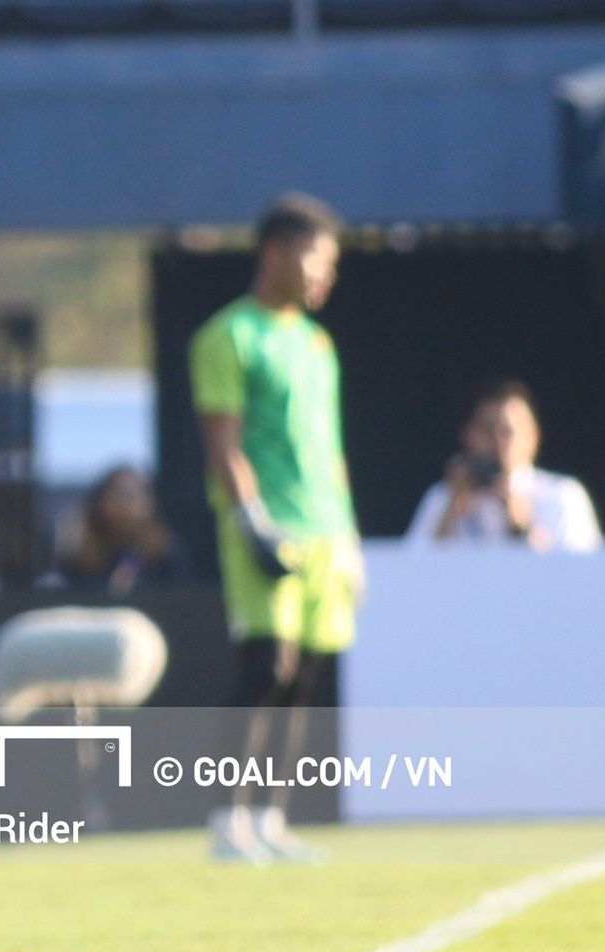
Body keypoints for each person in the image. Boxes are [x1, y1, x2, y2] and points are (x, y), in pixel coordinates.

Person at [189, 192, 360, 865]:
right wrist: (250, 521)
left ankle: (270, 817)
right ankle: (224, 817)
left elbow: (331, 448)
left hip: (325, 532)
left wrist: (348, 537)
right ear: (276, 253)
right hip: (266, 526)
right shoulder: (228, 335)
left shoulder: (318, 344)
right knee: (267, 666)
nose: (325, 275)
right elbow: (223, 442)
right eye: (317, 258)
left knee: (305, 678)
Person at [405, 380, 601, 553]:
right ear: (468, 435)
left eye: (508, 431)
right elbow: (409, 569)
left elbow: (582, 574)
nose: (498, 441)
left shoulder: (561, 496)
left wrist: (522, 524)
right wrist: (450, 511)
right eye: (487, 429)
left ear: (533, 436)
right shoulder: (441, 497)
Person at [54, 465, 186, 597]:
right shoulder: (80, 557)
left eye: (131, 496)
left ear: (149, 503)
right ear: (100, 502)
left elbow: (184, 599)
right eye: (116, 496)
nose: (124, 505)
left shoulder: (166, 554)